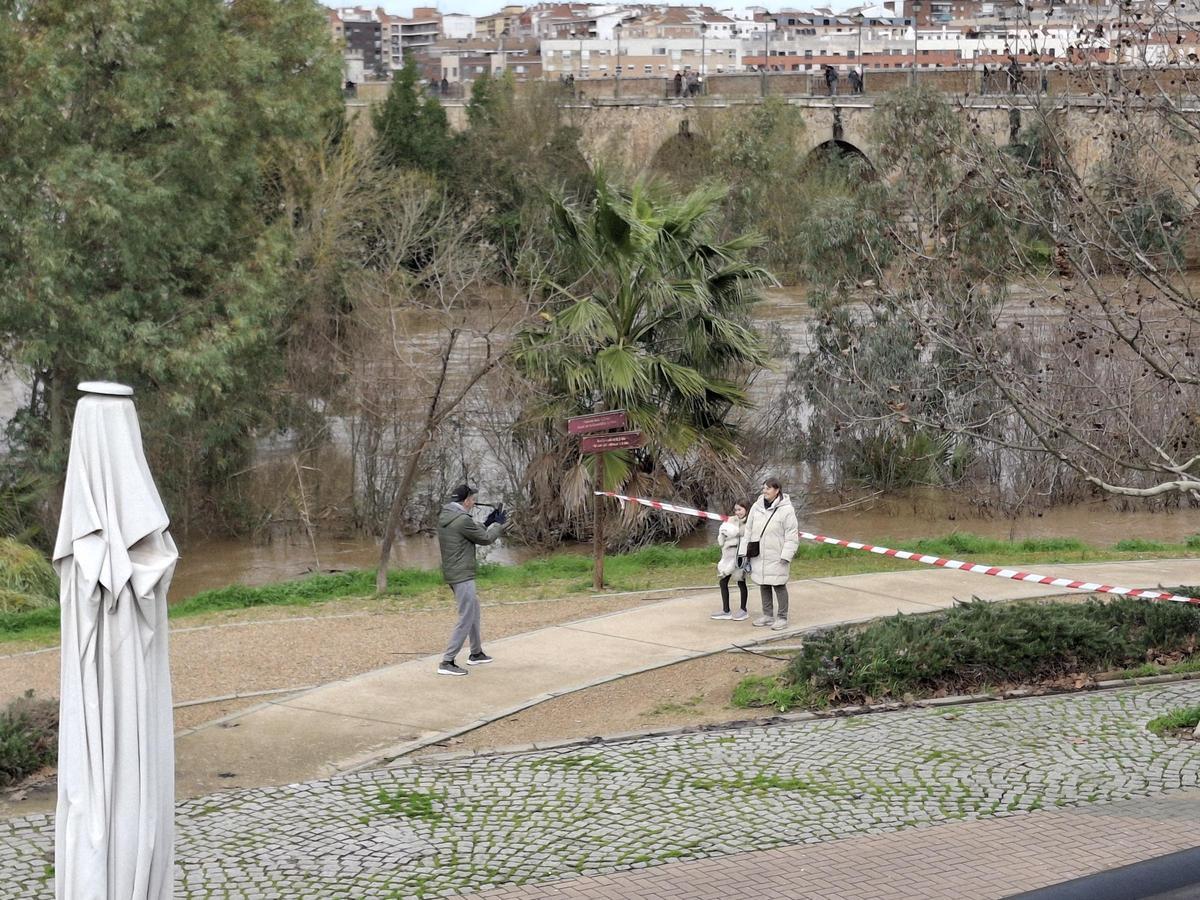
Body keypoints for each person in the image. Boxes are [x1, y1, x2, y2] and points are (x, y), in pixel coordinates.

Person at [437, 484, 509, 676]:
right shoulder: (461, 519)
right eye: (473, 499)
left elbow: (471, 533)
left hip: (454, 573)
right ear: (466, 500)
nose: (474, 502)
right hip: (462, 575)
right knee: (466, 616)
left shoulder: (447, 516)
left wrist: (486, 523)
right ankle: (447, 661)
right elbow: (485, 539)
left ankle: (476, 653)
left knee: (473, 611)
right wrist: (498, 524)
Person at [738, 478, 799, 632]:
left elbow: (791, 535)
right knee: (763, 583)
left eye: (768, 488)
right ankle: (767, 615)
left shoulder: (787, 510)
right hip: (759, 554)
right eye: (763, 488)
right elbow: (749, 530)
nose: (765, 491)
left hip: (777, 554)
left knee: (778, 584)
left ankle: (782, 617)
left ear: (777, 490)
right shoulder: (757, 507)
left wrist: (786, 555)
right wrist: (744, 551)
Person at [712, 500, 751, 621]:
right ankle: (726, 610)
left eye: (740, 509)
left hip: (740, 557)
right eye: (736, 510)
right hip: (728, 556)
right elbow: (724, 534)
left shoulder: (751, 522)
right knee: (723, 582)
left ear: (746, 509)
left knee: (741, 582)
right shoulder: (730, 520)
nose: (737, 512)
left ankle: (743, 610)